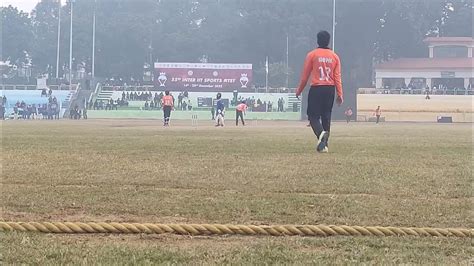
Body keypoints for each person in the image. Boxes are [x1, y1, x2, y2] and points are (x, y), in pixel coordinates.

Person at [296, 30, 343, 153]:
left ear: (317, 40)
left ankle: (320, 133)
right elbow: (337, 77)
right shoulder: (335, 56)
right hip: (330, 89)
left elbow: (305, 77)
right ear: (328, 41)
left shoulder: (312, 55)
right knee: (326, 116)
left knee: (312, 116)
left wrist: (299, 90)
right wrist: (340, 93)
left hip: (317, 88)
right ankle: (324, 145)